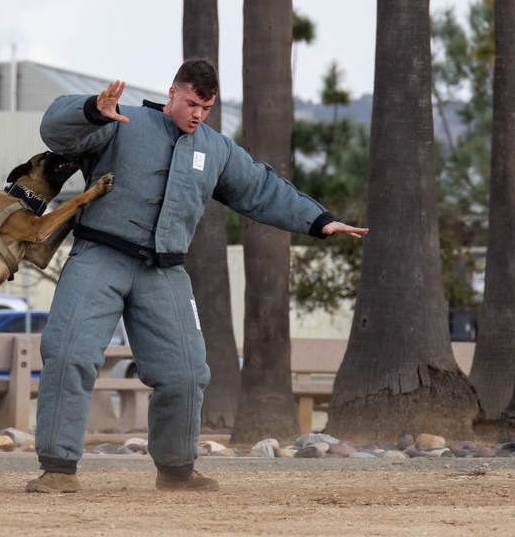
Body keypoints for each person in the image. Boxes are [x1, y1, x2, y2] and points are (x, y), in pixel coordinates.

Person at [26, 59, 368, 494]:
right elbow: (55, 130)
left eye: (206, 108)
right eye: (191, 104)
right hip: (100, 254)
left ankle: (176, 469)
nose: (197, 115)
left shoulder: (216, 150)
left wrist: (319, 220)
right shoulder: (121, 120)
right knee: (70, 353)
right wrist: (92, 109)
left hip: (164, 271)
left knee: (186, 373)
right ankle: (58, 467)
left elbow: (262, 188)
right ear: (172, 93)